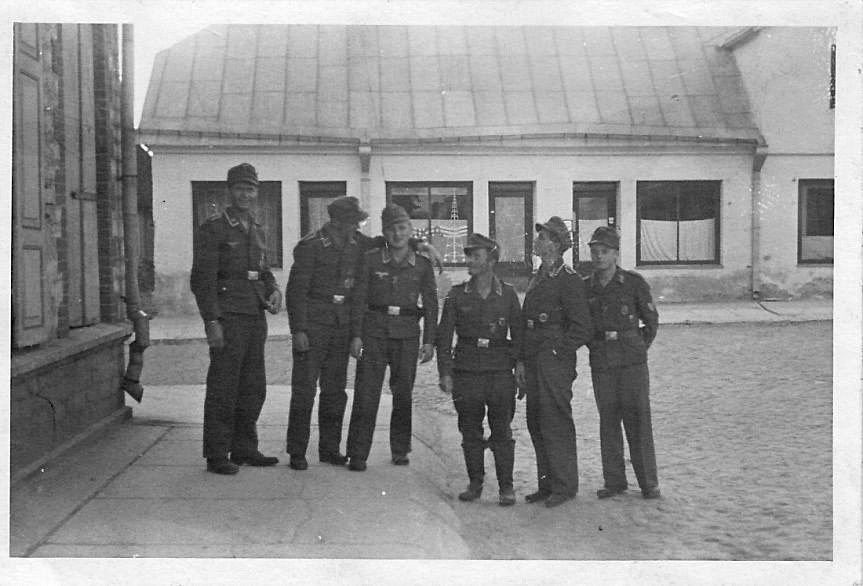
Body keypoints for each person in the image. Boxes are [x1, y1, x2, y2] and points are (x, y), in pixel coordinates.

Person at [285, 197, 439, 471]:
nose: (356, 227)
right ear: (336, 221)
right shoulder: (311, 246)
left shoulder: (358, 242)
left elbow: (393, 239)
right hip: (315, 323)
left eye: (357, 222)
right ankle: (297, 451)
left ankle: (330, 449)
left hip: (341, 325)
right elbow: (295, 292)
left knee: (334, 390)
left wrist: (422, 244)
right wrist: (298, 329)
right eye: (352, 222)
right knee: (305, 389)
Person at [190, 163, 282, 475]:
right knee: (224, 387)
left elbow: (263, 269)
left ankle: (244, 448)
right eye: (240, 188)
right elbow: (202, 280)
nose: (245, 194)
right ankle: (217, 454)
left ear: (257, 193)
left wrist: (274, 289)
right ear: (230, 191)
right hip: (228, 316)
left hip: (254, 314)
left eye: (250, 189)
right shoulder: (214, 228)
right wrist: (211, 321)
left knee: (253, 387)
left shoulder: (256, 227)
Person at [346, 204, 438, 471]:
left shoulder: (422, 264)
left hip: (407, 334)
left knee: (403, 394)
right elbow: (358, 299)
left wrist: (429, 340)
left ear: (410, 229)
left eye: (402, 228)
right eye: (391, 229)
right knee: (366, 393)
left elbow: (431, 304)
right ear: (384, 232)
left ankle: (400, 449)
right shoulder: (371, 259)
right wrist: (356, 335)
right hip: (374, 332)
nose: (397, 234)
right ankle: (358, 453)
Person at [436, 234, 523, 506]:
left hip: (499, 370)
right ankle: (475, 483)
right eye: (468, 256)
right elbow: (444, 337)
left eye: (476, 256)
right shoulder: (456, 295)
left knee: (502, 430)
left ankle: (506, 486)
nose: (470, 261)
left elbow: (519, 335)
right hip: (467, 370)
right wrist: (445, 372)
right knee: (470, 429)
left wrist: (519, 366)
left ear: (491, 260)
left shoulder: (507, 294)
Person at [516, 217, 592, 507]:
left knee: (556, 421)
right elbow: (527, 321)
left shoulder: (569, 279)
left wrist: (557, 352)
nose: (537, 241)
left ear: (556, 244)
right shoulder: (538, 276)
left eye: (543, 237)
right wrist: (523, 360)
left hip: (554, 362)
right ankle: (546, 484)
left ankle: (564, 486)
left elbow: (582, 327)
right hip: (534, 356)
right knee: (536, 420)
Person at [586, 226, 661, 500]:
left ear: (615, 254)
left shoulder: (633, 283)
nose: (598, 257)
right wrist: (596, 346)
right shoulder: (586, 286)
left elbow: (651, 321)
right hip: (602, 362)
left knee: (638, 420)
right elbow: (582, 325)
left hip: (631, 363)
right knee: (609, 421)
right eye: (595, 251)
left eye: (604, 251)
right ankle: (614, 481)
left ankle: (648, 483)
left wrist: (637, 347)